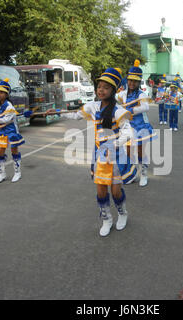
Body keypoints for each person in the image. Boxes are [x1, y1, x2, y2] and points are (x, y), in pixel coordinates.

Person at [45, 67, 137, 237]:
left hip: (115, 156)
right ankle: (106, 219)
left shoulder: (118, 111)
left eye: (106, 87)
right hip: (100, 156)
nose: (101, 90)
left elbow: (128, 131)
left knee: (116, 191)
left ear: (113, 91)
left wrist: (117, 143)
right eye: (99, 86)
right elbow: (75, 115)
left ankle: (122, 214)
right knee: (101, 190)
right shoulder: (93, 106)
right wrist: (57, 112)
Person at [117, 60, 157, 187]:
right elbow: (113, 99)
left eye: (135, 81)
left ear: (139, 82)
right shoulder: (122, 94)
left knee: (140, 151)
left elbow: (145, 107)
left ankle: (144, 174)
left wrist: (130, 110)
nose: (132, 83)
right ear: (127, 80)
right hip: (128, 127)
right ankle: (132, 174)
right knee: (128, 151)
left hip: (140, 126)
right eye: (130, 80)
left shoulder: (141, 94)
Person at [0, 79, 25, 184]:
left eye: (1, 92)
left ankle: (17, 172)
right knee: (0, 152)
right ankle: (2, 174)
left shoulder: (9, 106)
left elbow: (6, 119)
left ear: (6, 94)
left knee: (14, 151)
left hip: (12, 132)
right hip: (2, 132)